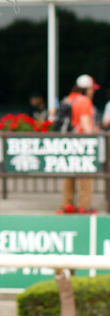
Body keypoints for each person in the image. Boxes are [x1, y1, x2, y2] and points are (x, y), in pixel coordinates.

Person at [59, 74, 99, 214]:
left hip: (68, 142)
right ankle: (84, 206)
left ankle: (67, 204)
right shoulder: (84, 101)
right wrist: (93, 135)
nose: (93, 91)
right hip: (81, 142)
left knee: (68, 173)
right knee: (85, 175)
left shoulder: (68, 98)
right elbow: (85, 123)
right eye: (92, 89)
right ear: (87, 89)